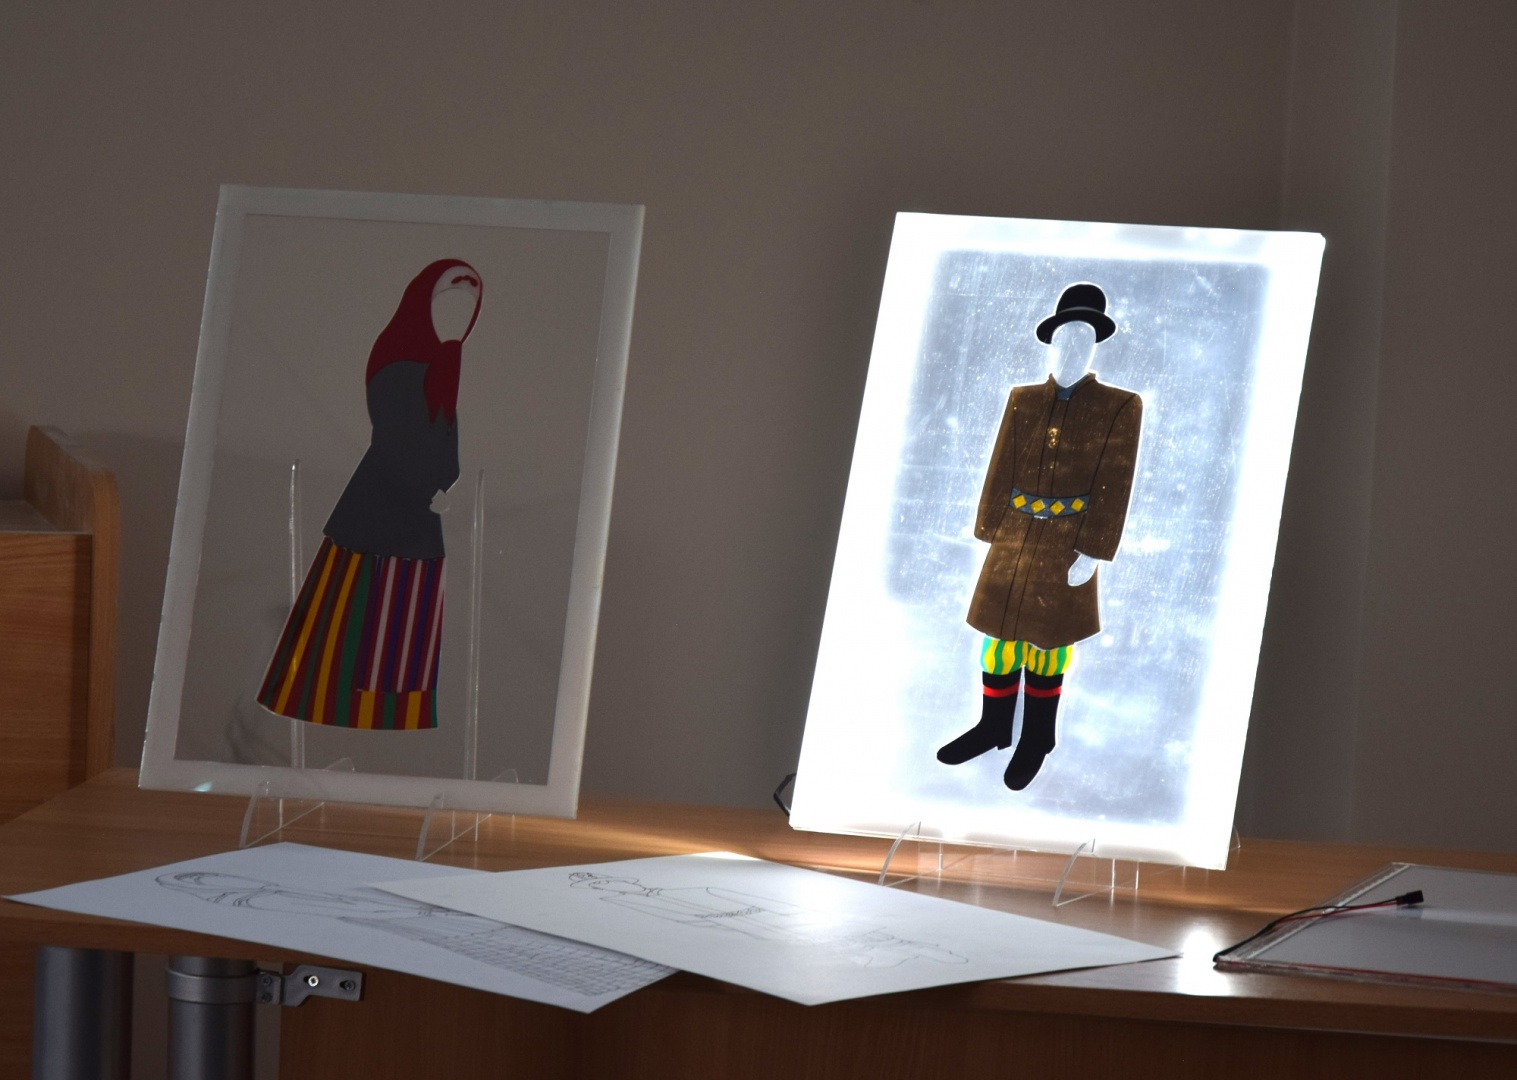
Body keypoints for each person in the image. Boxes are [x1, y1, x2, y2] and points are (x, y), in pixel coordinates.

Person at [256, 259, 482, 731]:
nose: (456, 321)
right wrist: (429, 484)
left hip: (418, 516)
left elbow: (446, 444)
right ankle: (326, 703)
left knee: (403, 624)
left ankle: (391, 711)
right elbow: (396, 439)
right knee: (349, 614)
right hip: (379, 510)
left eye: (467, 309)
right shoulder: (396, 364)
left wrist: (445, 483)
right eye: (448, 304)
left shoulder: (444, 371)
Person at [937, 283, 1142, 789]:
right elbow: (1001, 462)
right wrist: (989, 527)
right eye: (1063, 337)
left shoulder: (1119, 406)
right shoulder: (1023, 400)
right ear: (1050, 343)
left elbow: (1115, 482)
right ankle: (993, 725)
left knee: (1048, 642)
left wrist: (1092, 551)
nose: (1071, 347)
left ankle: (1037, 736)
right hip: (1014, 535)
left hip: (1067, 542)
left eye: (1083, 337)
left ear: (1095, 346)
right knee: (999, 636)